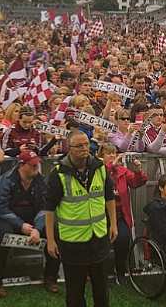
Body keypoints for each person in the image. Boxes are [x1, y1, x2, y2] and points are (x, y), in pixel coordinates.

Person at [45, 131, 117, 307]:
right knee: (75, 293)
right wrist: (50, 240)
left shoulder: (99, 167)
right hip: (73, 242)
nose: (85, 149)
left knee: (101, 290)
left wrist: (113, 224)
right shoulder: (58, 174)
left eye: (86, 144)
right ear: (69, 148)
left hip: (98, 237)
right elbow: (49, 209)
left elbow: (109, 197)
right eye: (79, 146)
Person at [0, 150, 60, 297]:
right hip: (6, 218)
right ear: (22, 165)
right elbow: (0, 208)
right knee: (0, 234)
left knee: (54, 232)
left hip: (32, 220)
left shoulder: (40, 180)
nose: (36, 168)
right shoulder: (7, 180)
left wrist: (37, 229)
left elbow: (45, 207)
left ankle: (51, 277)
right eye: (32, 165)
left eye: (37, 164)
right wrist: (21, 225)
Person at [97, 142, 148, 282]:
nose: (113, 156)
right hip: (101, 215)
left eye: (114, 153)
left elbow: (137, 182)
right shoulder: (97, 169)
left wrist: (138, 170)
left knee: (123, 240)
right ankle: (101, 273)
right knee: (101, 243)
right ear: (101, 156)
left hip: (120, 215)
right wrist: (111, 166)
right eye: (109, 153)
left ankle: (120, 271)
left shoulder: (122, 171)